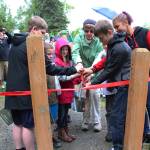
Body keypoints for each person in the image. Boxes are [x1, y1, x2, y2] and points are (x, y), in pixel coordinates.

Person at [4, 16, 82, 150]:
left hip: (12, 92)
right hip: (26, 93)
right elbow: (50, 68)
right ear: (34, 29)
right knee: (28, 125)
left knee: (17, 124)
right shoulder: (32, 45)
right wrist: (74, 69)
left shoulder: (14, 44)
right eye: (42, 33)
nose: (43, 38)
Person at [88, 20, 131, 150]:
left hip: (124, 86)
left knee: (117, 116)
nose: (101, 42)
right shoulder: (114, 45)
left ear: (110, 32)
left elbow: (109, 69)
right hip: (119, 85)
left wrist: (93, 83)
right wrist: (92, 69)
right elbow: (107, 62)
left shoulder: (119, 48)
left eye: (101, 38)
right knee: (116, 115)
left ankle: (118, 146)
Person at [112, 11, 150, 143]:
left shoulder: (145, 33)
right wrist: (93, 69)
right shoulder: (123, 41)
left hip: (148, 80)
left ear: (126, 23)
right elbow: (112, 59)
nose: (116, 30)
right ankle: (142, 135)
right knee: (137, 109)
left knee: (148, 107)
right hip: (133, 82)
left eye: (117, 27)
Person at [72, 19, 103, 132]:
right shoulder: (78, 38)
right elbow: (75, 51)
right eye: (86, 31)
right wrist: (79, 64)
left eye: (91, 31)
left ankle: (96, 121)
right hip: (83, 71)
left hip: (95, 71)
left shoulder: (98, 41)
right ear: (83, 30)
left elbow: (99, 57)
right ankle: (85, 120)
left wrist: (92, 71)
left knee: (95, 95)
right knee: (85, 96)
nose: (89, 33)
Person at [54, 38, 80, 142]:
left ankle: (65, 130)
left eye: (66, 49)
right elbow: (61, 77)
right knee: (62, 113)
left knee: (66, 113)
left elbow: (71, 75)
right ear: (58, 50)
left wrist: (78, 77)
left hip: (68, 91)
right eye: (62, 49)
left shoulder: (69, 62)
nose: (65, 52)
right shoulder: (57, 62)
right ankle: (61, 133)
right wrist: (75, 75)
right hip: (61, 92)